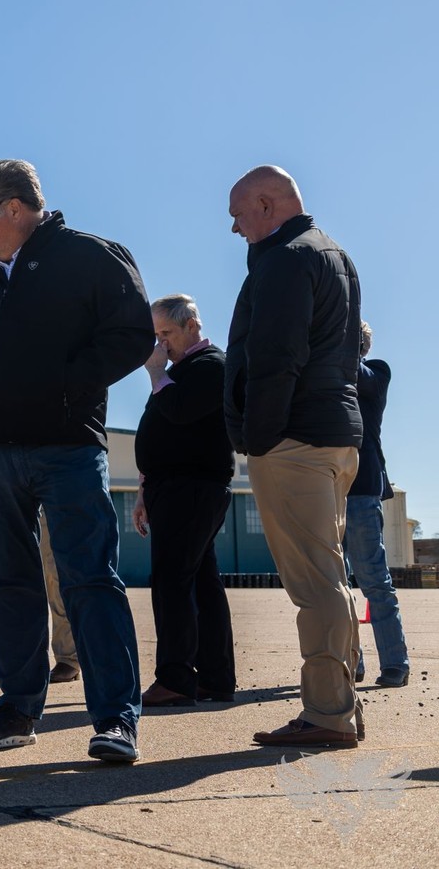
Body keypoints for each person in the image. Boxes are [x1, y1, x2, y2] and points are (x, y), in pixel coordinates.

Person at [0, 159, 152, 763]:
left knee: (89, 580)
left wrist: (65, 387)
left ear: (13, 208)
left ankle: (115, 719)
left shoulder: (90, 257)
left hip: (68, 449)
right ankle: (17, 709)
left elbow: (131, 334)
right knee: (6, 584)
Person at [224, 165, 364, 748]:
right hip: (333, 436)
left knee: (315, 582)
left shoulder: (285, 258)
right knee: (328, 573)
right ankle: (339, 707)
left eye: (237, 215)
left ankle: (329, 713)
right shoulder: (333, 252)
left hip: (296, 441)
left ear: (265, 203)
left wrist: (258, 437)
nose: (234, 229)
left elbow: (276, 357)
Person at [131, 295, 236, 708]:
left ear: (191, 326)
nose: (160, 346)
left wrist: (156, 373)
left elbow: (177, 412)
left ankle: (175, 679)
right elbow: (161, 429)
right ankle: (214, 678)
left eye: (166, 334)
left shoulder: (211, 365)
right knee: (201, 584)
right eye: (156, 337)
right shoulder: (178, 371)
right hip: (171, 488)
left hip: (192, 488)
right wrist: (143, 490)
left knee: (172, 583)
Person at [344, 321, 408, 688]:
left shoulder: (376, 372)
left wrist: (336, 340)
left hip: (362, 488)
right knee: (335, 584)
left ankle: (395, 663)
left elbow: (358, 374)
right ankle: (353, 663)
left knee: (374, 581)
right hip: (328, 486)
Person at [0, 510, 80, 684]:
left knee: (54, 577)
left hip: (47, 496)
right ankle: (12, 661)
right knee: (10, 580)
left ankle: (68, 659)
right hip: (11, 493)